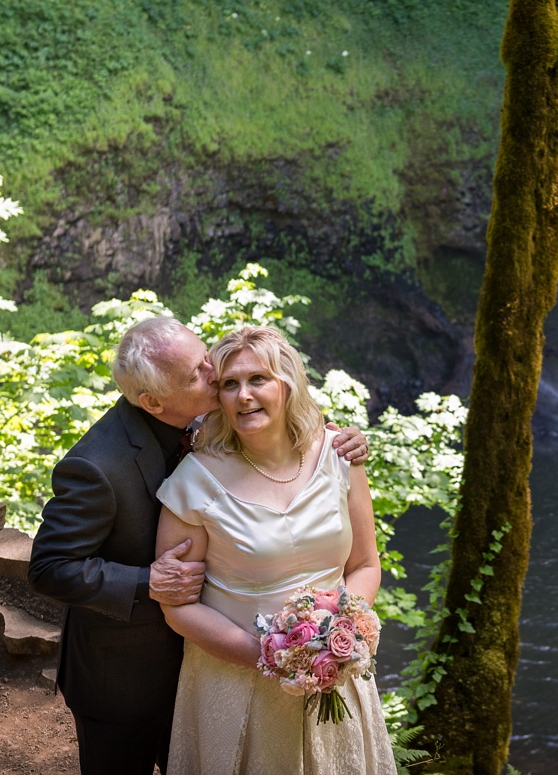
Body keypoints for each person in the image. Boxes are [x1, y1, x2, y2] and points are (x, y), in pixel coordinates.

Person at [29, 316, 369, 774]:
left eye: (207, 360)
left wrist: (336, 439)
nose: (215, 376)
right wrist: (151, 581)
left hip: (210, 663)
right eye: (199, 375)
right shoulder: (97, 466)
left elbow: (272, 399)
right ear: (153, 402)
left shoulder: (207, 414)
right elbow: (49, 566)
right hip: (127, 670)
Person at [154, 325, 396, 773]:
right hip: (234, 678)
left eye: (257, 379)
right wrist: (272, 658)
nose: (244, 396)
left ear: (287, 382)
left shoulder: (339, 455)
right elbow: (177, 606)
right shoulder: (195, 481)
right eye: (229, 384)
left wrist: (332, 645)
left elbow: (364, 564)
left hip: (331, 676)